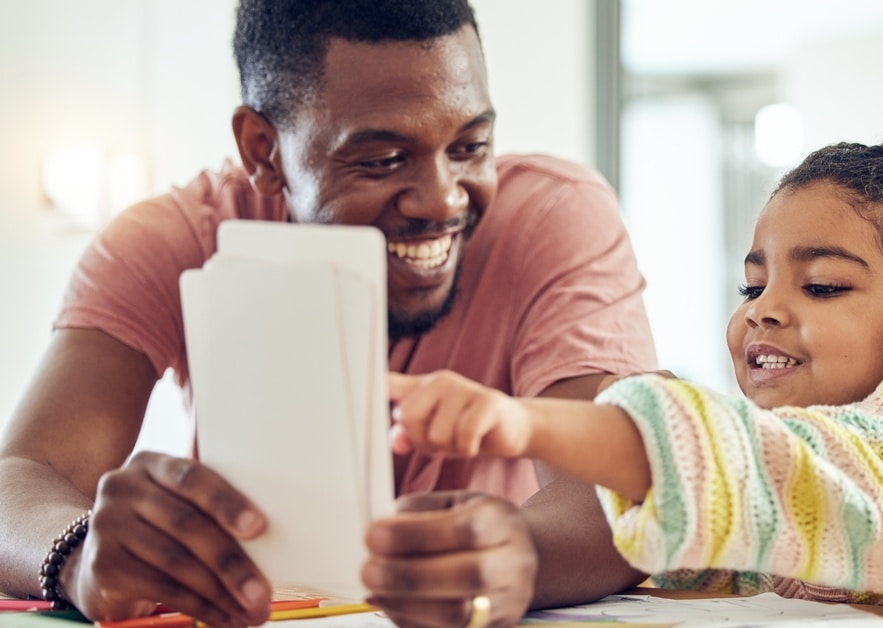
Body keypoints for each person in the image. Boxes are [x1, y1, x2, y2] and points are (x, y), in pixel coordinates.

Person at [0, 1, 657, 626]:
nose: (440, 198)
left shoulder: (552, 216)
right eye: (382, 159)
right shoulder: (172, 240)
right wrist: (80, 555)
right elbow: (20, 480)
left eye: (469, 146)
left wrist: (522, 554)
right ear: (263, 149)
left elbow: (620, 483)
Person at [385, 134, 883, 619]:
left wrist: (523, 421)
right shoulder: (773, 472)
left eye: (824, 287)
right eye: (752, 287)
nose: (763, 313)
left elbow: (753, 468)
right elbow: (682, 533)